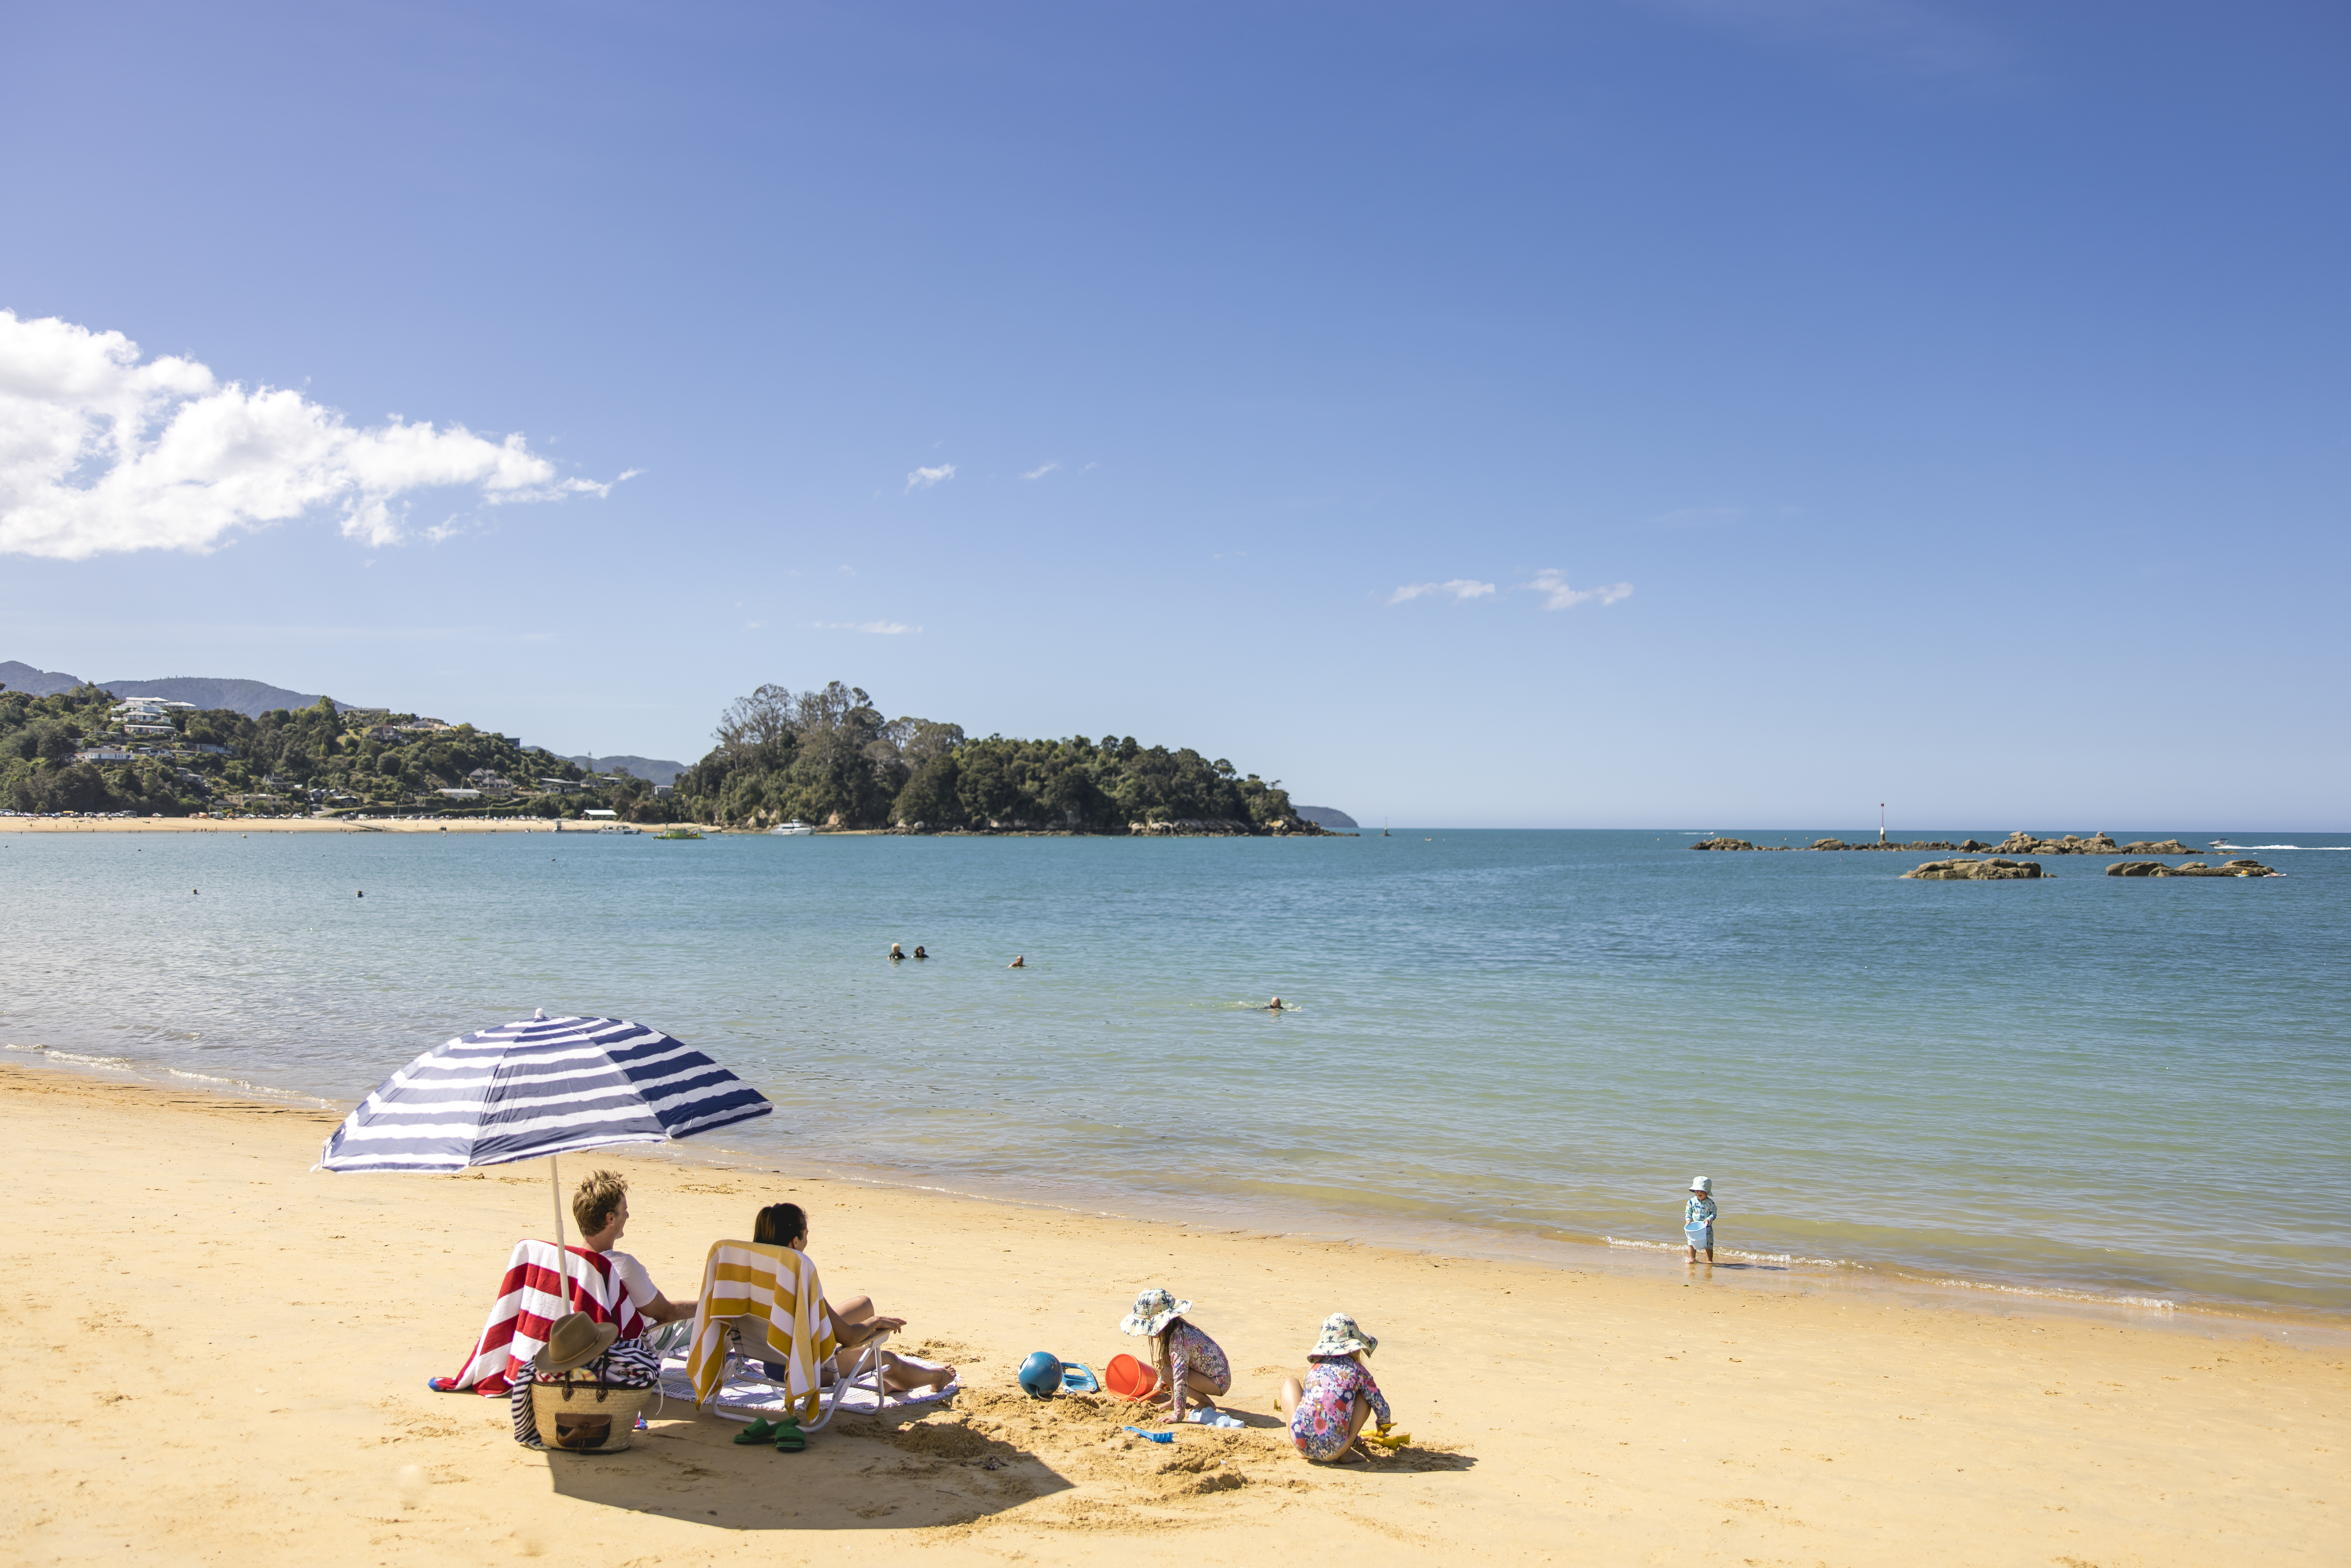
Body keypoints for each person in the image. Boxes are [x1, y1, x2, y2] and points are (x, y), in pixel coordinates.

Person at [751, 1202, 956, 1395]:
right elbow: (848, 1337)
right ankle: (938, 1378)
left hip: (773, 1360)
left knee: (864, 1305)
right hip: (802, 1369)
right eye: (806, 1236)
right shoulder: (799, 1279)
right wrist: (875, 1323)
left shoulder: (748, 1273)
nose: (808, 1241)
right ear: (795, 1242)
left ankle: (872, 1369)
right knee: (888, 1361)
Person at [572, 1170, 695, 1351]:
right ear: (611, 1219)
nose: (628, 1216)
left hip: (590, 1343)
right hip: (645, 1340)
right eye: (625, 1211)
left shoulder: (571, 1261)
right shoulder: (620, 1266)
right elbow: (666, 1314)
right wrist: (710, 1305)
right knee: (723, 1321)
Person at [1276, 1313, 1390, 1463]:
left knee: (1290, 1383)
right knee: (1366, 1397)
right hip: (1335, 1447)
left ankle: (1303, 1450)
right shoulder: (1358, 1371)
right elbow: (1381, 1408)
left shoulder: (1315, 1369)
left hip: (1302, 1442)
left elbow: (1324, 1410)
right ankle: (1346, 1452)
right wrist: (1383, 1425)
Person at [1118, 1287, 1230, 1423]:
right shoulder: (1176, 1330)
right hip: (1212, 1375)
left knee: (1168, 1373)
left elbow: (1180, 1379)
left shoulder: (1179, 1341)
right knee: (1166, 1371)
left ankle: (1206, 1403)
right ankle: (1173, 1400)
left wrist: (1178, 1415)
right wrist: (1161, 1380)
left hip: (1219, 1381)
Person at [1684, 1176, 1717, 1264]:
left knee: (1709, 1245)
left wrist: (1708, 1219)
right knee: (1691, 1243)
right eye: (1697, 1190)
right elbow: (1688, 1212)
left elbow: (1714, 1214)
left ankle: (1710, 1260)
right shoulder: (1691, 1201)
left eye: (1703, 1191)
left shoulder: (1710, 1203)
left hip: (1707, 1229)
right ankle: (1692, 1259)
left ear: (1707, 1192)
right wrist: (1688, 1220)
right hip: (1694, 1228)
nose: (1700, 1193)